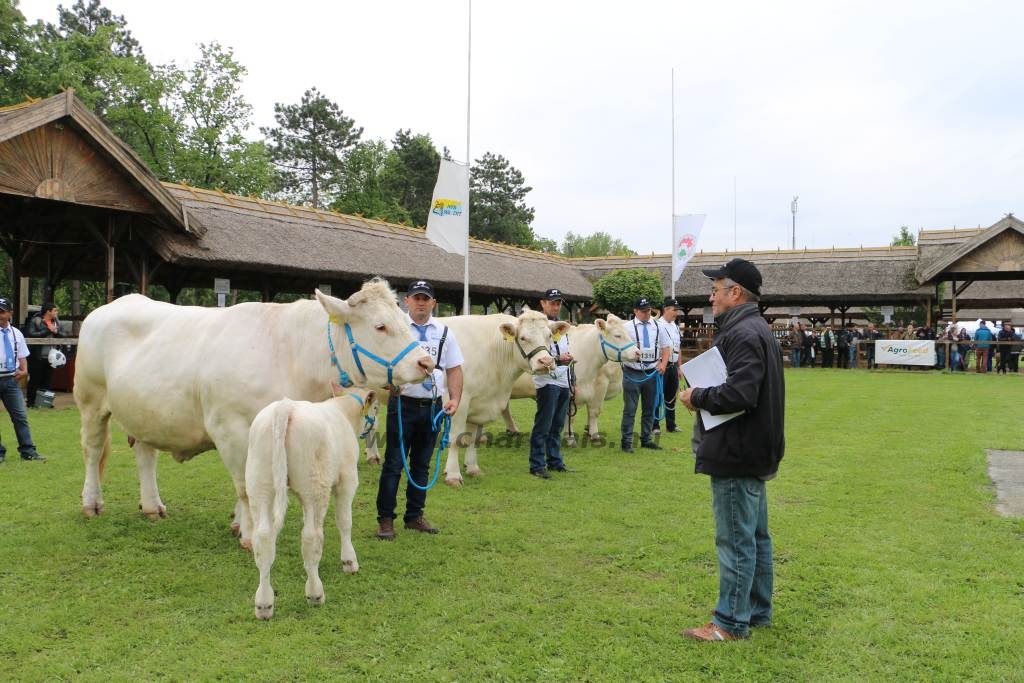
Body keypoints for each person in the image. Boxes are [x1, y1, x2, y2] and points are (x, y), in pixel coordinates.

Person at [680, 258, 785, 642]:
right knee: (755, 537)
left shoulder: (743, 333)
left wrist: (697, 394)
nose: (711, 296)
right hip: (752, 449)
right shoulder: (756, 329)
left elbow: (740, 393)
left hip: (737, 451)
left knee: (736, 540)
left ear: (735, 292)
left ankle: (729, 622)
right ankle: (755, 611)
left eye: (715, 289)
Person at [375, 281, 463, 539]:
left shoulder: (445, 332)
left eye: (426, 298)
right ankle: (386, 520)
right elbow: (382, 363)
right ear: (407, 302)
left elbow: (454, 368)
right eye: (416, 298)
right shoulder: (395, 329)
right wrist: (388, 384)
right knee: (393, 463)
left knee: (422, 465)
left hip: (433, 407)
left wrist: (455, 399)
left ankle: (414, 516)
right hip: (403, 405)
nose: (421, 302)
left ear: (434, 303)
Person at [528, 288, 575, 479]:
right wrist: (558, 358)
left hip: (564, 380)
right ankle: (537, 464)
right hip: (547, 381)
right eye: (552, 303)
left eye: (558, 303)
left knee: (557, 425)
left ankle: (555, 460)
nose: (555, 306)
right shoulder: (536, 326)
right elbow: (538, 353)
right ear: (543, 303)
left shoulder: (561, 327)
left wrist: (573, 382)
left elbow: (566, 352)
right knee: (543, 425)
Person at [620, 297, 671, 452]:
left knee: (650, 408)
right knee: (630, 408)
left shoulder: (658, 326)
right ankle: (627, 441)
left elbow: (666, 346)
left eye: (648, 310)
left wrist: (663, 364)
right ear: (635, 311)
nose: (647, 313)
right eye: (643, 311)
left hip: (652, 372)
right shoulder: (626, 328)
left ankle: (646, 439)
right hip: (632, 371)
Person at [0, 298, 46, 463]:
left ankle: (27, 450)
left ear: (10, 313)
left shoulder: (16, 333)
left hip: (11, 380)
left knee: (20, 416)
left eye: (2, 311)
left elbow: (22, 355)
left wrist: (25, 370)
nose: (0, 314)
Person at [653, 297, 683, 434]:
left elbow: (678, 348)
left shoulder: (676, 326)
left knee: (671, 396)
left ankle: (671, 424)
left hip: (673, 365)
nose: (676, 313)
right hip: (661, 365)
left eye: (677, 310)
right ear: (665, 309)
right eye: (674, 310)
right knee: (658, 396)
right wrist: (659, 362)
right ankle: (655, 425)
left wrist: (679, 367)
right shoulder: (657, 325)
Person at [25, 303, 63, 408]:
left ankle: (46, 402)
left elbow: (63, 334)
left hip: (51, 358)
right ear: (48, 311)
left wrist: (56, 332)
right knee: (34, 380)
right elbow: (31, 334)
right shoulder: (35, 320)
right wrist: (47, 330)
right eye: (55, 310)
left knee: (47, 381)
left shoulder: (56, 322)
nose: (56, 313)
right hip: (36, 357)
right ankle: (31, 403)